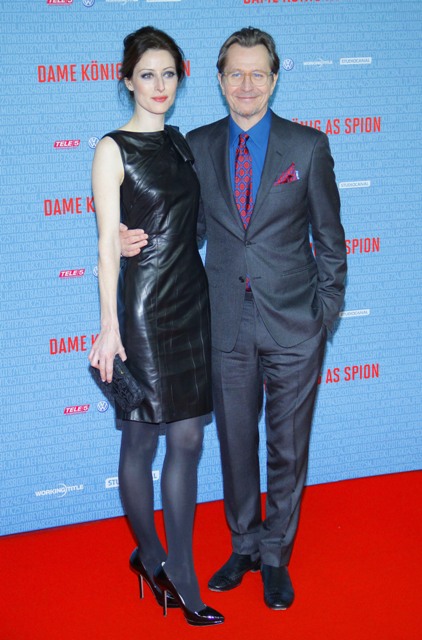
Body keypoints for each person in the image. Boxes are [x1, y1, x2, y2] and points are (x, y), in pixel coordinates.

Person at [120, 27, 347, 611]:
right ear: (219, 81)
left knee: (287, 448)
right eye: (235, 73)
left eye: (258, 73)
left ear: (274, 78)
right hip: (221, 324)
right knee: (235, 446)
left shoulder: (308, 146)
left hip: (294, 325)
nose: (247, 85)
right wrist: (128, 239)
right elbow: (184, 229)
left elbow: (330, 239)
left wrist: (323, 318)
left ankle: (275, 556)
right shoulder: (194, 146)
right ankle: (243, 545)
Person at [88, 26, 224, 627]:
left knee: (189, 439)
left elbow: (192, 224)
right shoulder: (111, 148)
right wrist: (108, 326)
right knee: (142, 439)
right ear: (127, 81)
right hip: (143, 308)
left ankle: (182, 567)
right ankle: (153, 557)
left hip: (192, 299)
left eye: (169, 73)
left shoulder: (180, 143)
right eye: (147, 74)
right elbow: (105, 245)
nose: (160, 85)